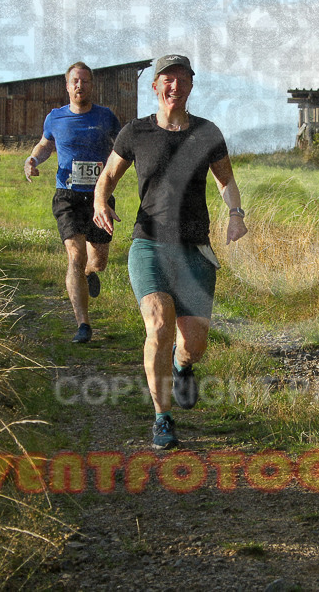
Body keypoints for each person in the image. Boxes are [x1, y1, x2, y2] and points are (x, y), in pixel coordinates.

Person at [92, 54, 247, 450]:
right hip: (148, 242)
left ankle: (182, 367)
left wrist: (235, 212)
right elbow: (108, 177)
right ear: (155, 87)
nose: (174, 86)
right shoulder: (135, 132)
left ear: (191, 86)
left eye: (181, 79)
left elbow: (226, 180)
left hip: (195, 248)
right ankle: (162, 418)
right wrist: (101, 203)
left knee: (194, 343)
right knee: (159, 325)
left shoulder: (208, 132)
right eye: (167, 79)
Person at [24, 61, 121, 343]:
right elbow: (45, 144)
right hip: (66, 195)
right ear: (67, 86)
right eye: (75, 81)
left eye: (85, 81)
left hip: (99, 197)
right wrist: (32, 159)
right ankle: (83, 324)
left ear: (92, 86)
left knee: (98, 261)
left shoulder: (106, 117)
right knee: (75, 256)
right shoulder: (55, 117)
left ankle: (91, 273)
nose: (80, 86)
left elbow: (121, 149)